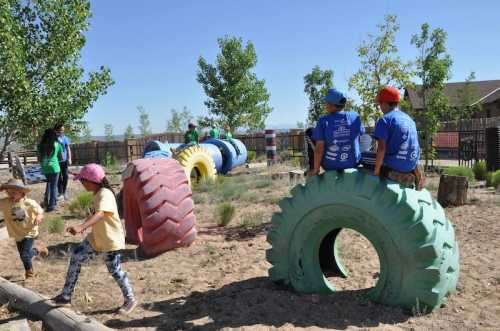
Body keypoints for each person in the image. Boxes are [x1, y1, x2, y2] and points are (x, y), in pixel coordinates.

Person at [51, 163, 137, 314]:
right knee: (76, 256)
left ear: (92, 181)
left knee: (115, 270)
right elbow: (95, 214)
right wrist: (82, 224)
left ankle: (130, 299)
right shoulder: (97, 194)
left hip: (110, 240)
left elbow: (101, 214)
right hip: (96, 238)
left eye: (83, 181)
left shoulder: (105, 194)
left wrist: (81, 227)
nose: (82, 184)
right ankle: (66, 296)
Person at [373, 86, 423, 189]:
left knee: (364, 158)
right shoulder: (409, 119)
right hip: (411, 164)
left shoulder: (385, 120)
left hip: (395, 165)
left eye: (380, 104)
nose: (380, 107)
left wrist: (376, 173)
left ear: (384, 103)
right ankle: (415, 175)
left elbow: (381, 149)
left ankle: (394, 176)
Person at [310, 88, 365, 175]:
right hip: (352, 163)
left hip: (331, 166)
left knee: (309, 132)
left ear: (331, 104)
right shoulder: (355, 117)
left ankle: (311, 168)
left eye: (326, 103)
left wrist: (316, 170)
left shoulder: (323, 121)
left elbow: (319, 149)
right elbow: (361, 136)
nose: (325, 105)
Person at [0, 179, 48, 279]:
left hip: (29, 231)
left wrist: (39, 216)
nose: (11, 195)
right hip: (17, 233)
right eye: (8, 192)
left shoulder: (29, 203)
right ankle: (38, 250)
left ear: (22, 192)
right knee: (25, 254)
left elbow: (40, 211)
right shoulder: (5, 203)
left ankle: (29, 274)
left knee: (24, 255)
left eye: (13, 193)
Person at [38, 129, 63, 212]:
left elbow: (39, 157)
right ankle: (51, 206)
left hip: (45, 167)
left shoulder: (41, 145)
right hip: (55, 168)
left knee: (48, 185)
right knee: (53, 186)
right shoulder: (57, 144)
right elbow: (61, 157)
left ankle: (46, 202)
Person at [54, 124, 72, 201]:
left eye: (63, 130)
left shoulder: (65, 138)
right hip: (55, 161)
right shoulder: (53, 139)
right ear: (57, 130)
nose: (62, 131)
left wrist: (69, 158)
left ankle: (64, 192)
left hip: (64, 161)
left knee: (65, 176)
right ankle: (60, 193)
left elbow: (68, 148)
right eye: (61, 130)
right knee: (58, 178)